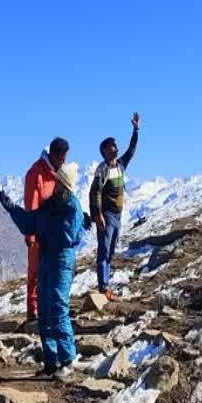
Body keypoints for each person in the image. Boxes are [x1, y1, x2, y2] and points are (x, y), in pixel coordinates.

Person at [0, 143, 85, 378]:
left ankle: (67, 359)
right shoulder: (49, 205)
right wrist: (11, 209)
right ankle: (51, 360)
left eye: (59, 183)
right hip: (46, 257)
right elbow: (30, 222)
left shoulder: (72, 206)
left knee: (57, 307)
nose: (56, 186)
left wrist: (54, 235)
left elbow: (74, 235)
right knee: (45, 310)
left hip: (61, 259)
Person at [88, 113, 140, 301]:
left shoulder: (120, 165)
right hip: (107, 215)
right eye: (112, 148)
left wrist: (135, 130)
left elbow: (131, 150)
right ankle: (103, 287)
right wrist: (98, 216)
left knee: (110, 250)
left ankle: (106, 285)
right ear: (105, 152)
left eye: (116, 147)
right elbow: (94, 193)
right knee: (104, 250)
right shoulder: (102, 170)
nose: (116, 150)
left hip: (118, 215)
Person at [22, 139, 65, 321]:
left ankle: (48, 307)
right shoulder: (36, 173)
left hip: (53, 232)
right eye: (61, 158)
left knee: (52, 270)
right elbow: (31, 204)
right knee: (35, 271)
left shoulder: (58, 173)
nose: (63, 161)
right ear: (53, 155)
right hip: (39, 232)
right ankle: (33, 310)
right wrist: (30, 233)